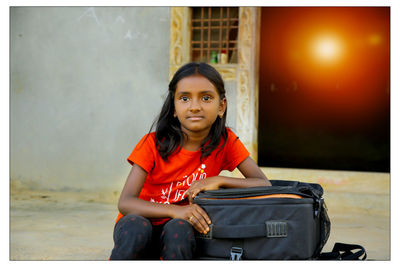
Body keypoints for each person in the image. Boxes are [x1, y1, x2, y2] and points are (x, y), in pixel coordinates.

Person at [109, 62, 271, 260]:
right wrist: (175, 210)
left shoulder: (225, 142)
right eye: (184, 98)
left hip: (180, 232)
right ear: (174, 108)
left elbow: (263, 184)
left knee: (180, 228)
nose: (195, 107)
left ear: (221, 106)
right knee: (136, 225)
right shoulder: (152, 143)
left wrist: (218, 181)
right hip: (139, 226)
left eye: (206, 98)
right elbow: (126, 202)